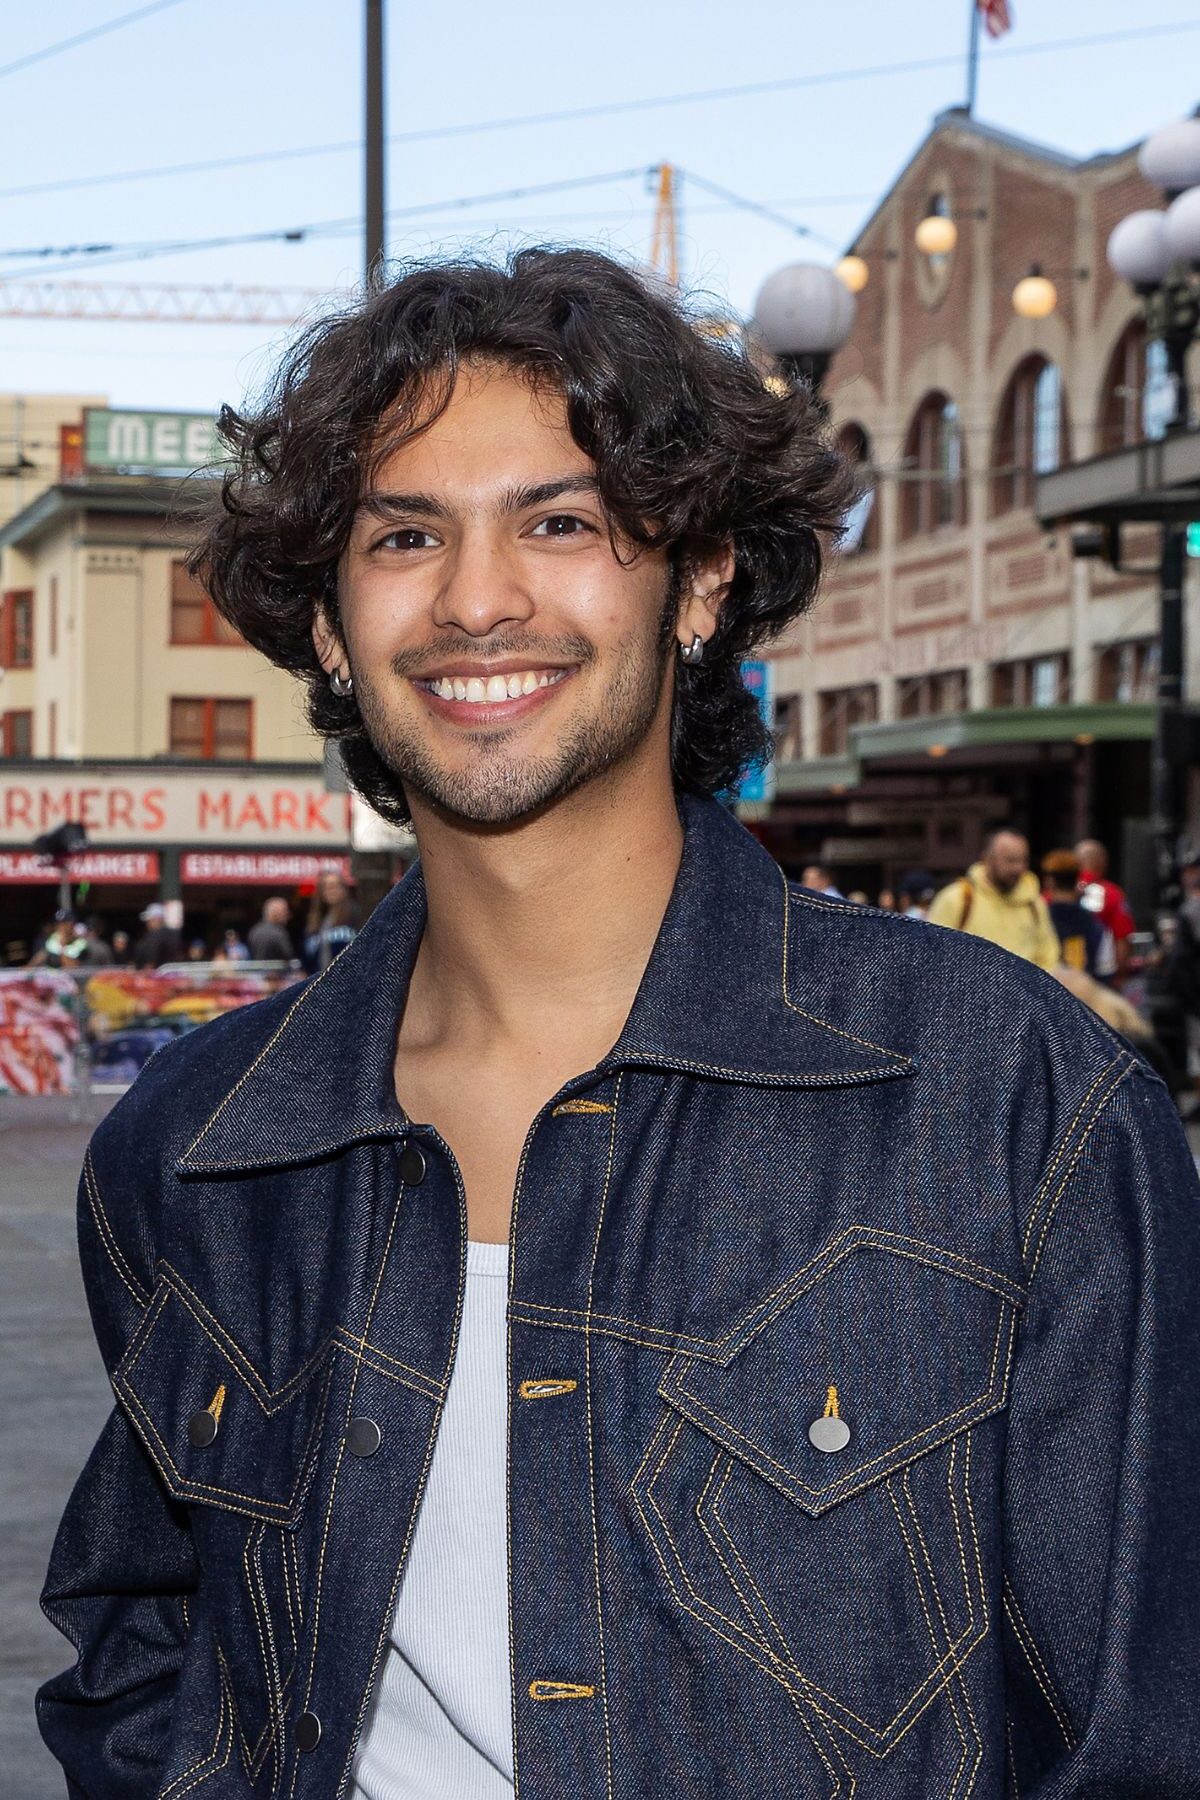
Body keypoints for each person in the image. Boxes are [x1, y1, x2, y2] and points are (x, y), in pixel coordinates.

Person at [38, 249, 1200, 1800]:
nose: (476, 599)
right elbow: (145, 1661)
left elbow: (1140, 1735)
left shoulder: (1014, 1105)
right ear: (328, 624)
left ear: (702, 581)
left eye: (562, 522)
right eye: (403, 535)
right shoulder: (189, 1153)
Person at [928, 829, 1061, 969]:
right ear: (986, 859)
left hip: (1025, 990)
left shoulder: (1034, 903)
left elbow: (1049, 957)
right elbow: (934, 954)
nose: (1018, 868)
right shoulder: (957, 899)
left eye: (1023, 860)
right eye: (1011, 860)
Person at [1040, 849, 1116, 980]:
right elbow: (1106, 970)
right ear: (1076, 881)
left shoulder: (1037, 921)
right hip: (1082, 995)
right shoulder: (1095, 925)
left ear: (1049, 881)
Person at [1074, 836, 1135, 981]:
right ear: (1102, 862)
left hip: (1063, 977)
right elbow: (1121, 938)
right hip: (1100, 978)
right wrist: (1120, 977)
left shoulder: (1056, 894)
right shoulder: (1113, 894)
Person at [302, 868, 360, 973]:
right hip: (317, 981)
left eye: (334, 887)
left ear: (343, 889)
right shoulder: (314, 923)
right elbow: (306, 959)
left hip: (348, 979)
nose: (331, 891)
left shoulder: (355, 915)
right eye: (326, 888)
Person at [132, 902, 184, 969]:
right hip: (172, 976)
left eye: (150, 920)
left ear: (158, 919)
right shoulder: (174, 934)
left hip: (156, 976)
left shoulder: (155, 935)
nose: (147, 923)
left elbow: (150, 964)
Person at [247, 894, 296, 962]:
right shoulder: (278, 933)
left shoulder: (254, 930)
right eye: (285, 912)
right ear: (276, 913)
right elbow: (288, 955)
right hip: (277, 971)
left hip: (257, 970)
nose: (288, 915)